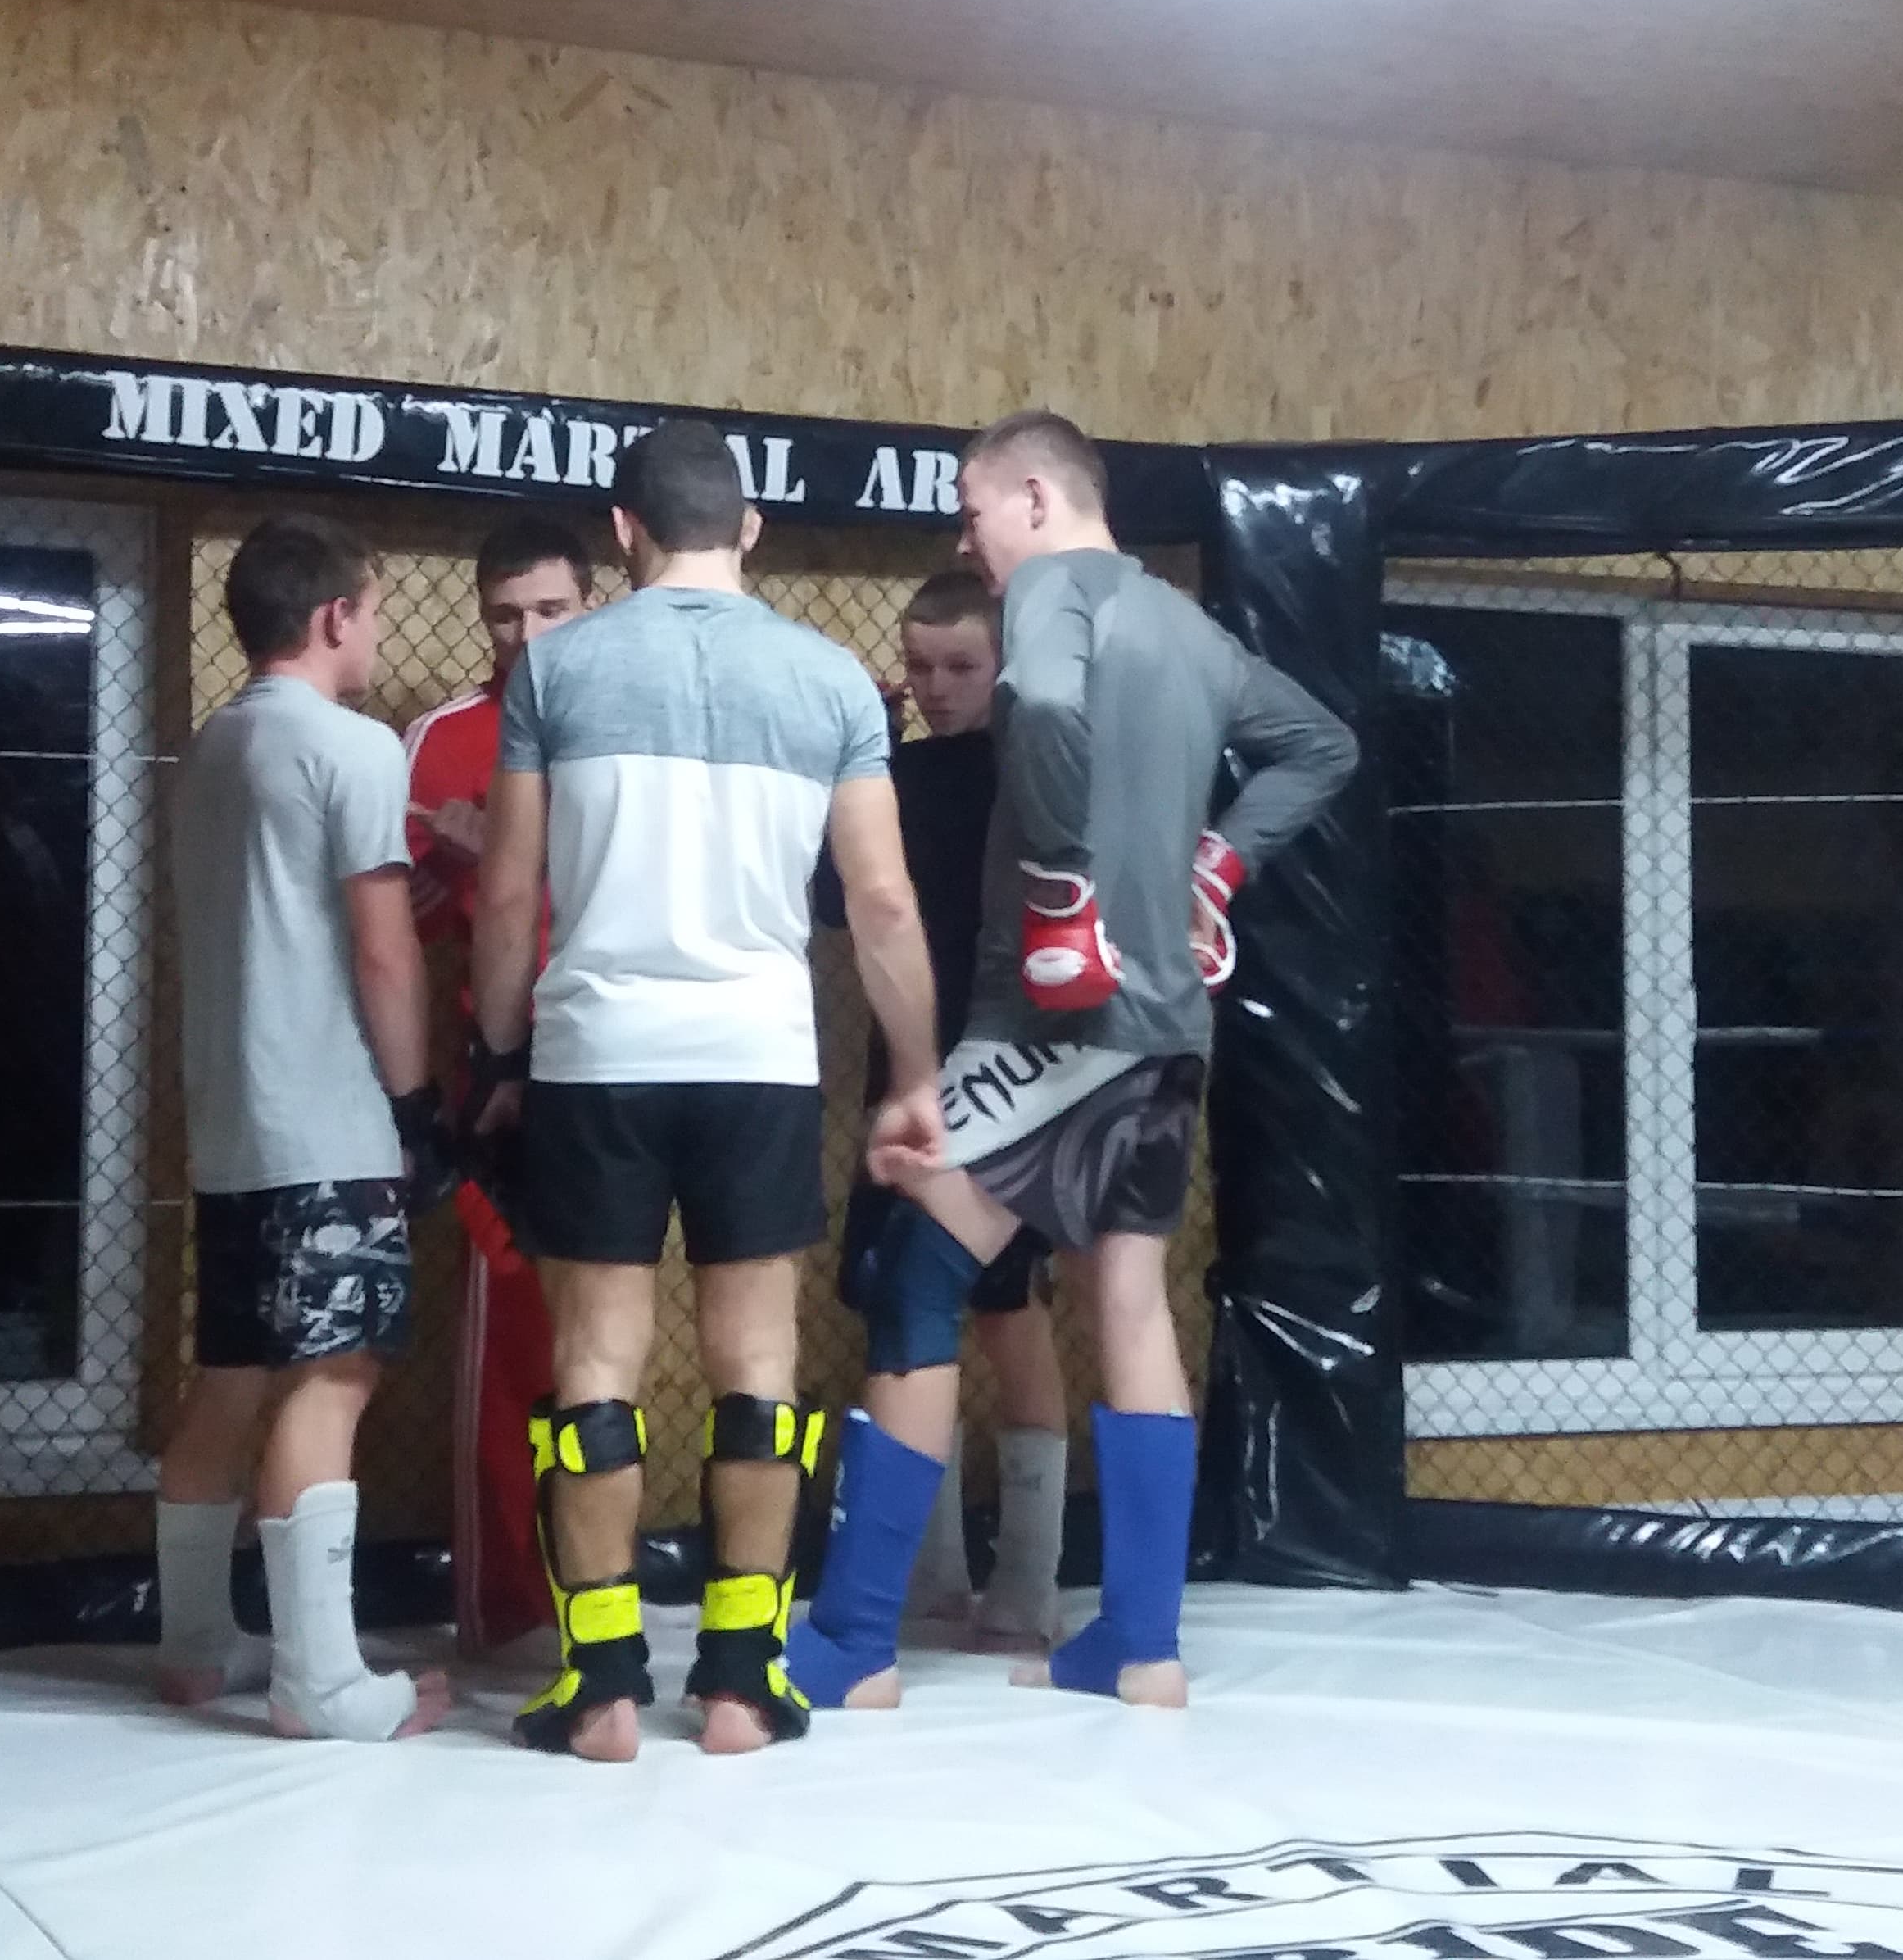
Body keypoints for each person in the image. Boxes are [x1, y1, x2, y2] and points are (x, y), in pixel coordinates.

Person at [788, 410, 1357, 1713]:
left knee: (917, 1277)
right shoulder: (1194, 632)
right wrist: (1217, 861)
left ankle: (857, 1642)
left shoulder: (1051, 593)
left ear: (1037, 499)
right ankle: (1142, 1645)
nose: (967, 543)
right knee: (1131, 1300)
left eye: (973, 513)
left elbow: (1041, 700)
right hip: (1167, 1026)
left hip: (1050, 1021)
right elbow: (1323, 744)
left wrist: (1058, 880)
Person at [469, 418, 945, 1761]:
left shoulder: (554, 666)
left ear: (622, 531)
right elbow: (883, 902)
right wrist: (915, 1074)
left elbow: (507, 891)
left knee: (595, 1364)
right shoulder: (834, 680)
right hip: (759, 1055)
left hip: (598, 1054)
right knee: (759, 1364)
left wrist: (498, 1054)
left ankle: (601, 1685)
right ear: (750, 528)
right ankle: (740, 1679)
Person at [155, 514, 455, 1743]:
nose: (373, 635)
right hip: (327, 1117)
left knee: (232, 1372)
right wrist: (418, 1104)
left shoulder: (213, 744)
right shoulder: (353, 746)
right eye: (372, 612)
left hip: (233, 1117)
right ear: (337, 615)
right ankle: (319, 1680)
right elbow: (385, 949)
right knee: (335, 1372)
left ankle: (194, 1646)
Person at [815, 569, 1068, 1653]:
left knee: (1010, 1312)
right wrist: (861, 749)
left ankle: (1030, 1581)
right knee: (900, 1308)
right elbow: (836, 905)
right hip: (913, 1073)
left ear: (1005, 666)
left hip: (1015, 1075)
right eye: (919, 667)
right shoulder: (897, 773)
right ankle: (934, 1571)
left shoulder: (1038, 773)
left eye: (961, 666)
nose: (936, 686)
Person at [401, 515, 596, 1657]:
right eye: (506, 615)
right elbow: (397, 926)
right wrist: (456, 866)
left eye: (551, 610)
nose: (527, 635)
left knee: (607, 1342)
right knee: (512, 1339)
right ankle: (509, 1605)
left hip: (625, 1059)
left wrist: (514, 854)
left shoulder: (638, 718)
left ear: (592, 604)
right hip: (504, 1073)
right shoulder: (443, 740)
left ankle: (600, 1595)